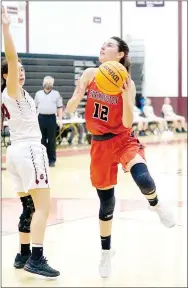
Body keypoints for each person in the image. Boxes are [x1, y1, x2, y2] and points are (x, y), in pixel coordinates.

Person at [65, 36, 175, 278]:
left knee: (144, 179)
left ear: (121, 54)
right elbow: (72, 106)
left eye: (109, 45)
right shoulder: (91, 74)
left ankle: (156, 205)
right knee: (106, 204)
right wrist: (76, 97)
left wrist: (125, 97)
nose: (103, 47)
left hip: (123, 139)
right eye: (102, 44)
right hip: (99, 145)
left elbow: (127, 122)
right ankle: (106, 253)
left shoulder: (128, 83)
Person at [1, 6, 59, 277]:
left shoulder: (18, 93)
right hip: (29, 150)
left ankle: (22, 254)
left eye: (23, 69)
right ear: (6, 75)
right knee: (44, 207)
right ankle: (36, 258)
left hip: (15, 152)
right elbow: (11, 58)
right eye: (16, 69)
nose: (20, 72)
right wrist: (6, 28)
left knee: (29, 207)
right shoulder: (11, 90)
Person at [35, 76, 63, 167]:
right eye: (47, 82)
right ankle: (42, 159)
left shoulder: (56, 94)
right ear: (43, 83)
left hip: (51, 118)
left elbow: (59, 108)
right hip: (41, 118)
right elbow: (35, 108)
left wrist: (60, 120)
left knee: (52, 140)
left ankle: (52, 160)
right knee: (41, 139)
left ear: (53, 84)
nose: (49, 84)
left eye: (50, 82)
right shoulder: (38, 94)